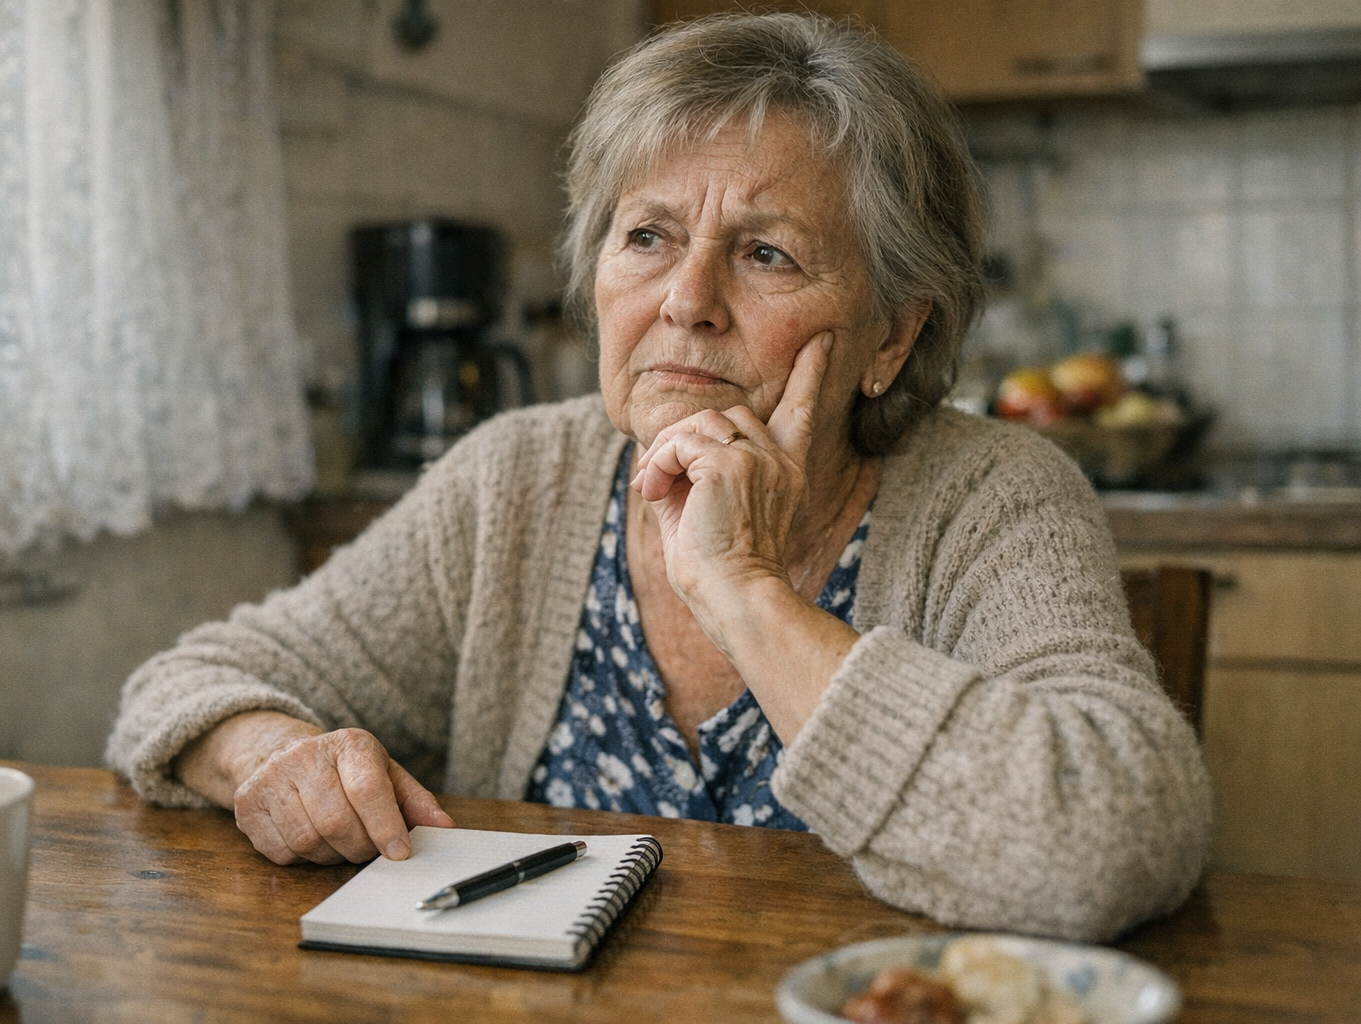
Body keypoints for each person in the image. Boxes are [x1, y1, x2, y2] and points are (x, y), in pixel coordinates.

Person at [107, 12, 1211, 942]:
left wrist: (745, 590)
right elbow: (188, 683)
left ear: (890, 337)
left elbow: (1113, 842)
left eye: (766, 252)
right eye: (647, 236)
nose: (688, 299)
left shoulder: (992, 494)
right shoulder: (517, 481)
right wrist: (278, 753)